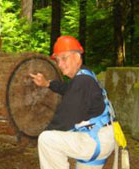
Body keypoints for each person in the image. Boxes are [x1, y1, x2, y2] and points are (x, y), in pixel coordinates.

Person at [30, 35, 115, 169]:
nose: (60, 64)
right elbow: (69, 89)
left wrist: (35, 137)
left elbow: (64, 120)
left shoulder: (82, 82)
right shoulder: (85, 74)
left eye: (64, 58)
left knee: (47, 140)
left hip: (94, 140)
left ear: (77, 57)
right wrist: (47, 83)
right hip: (101, 135)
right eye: (57, 60)